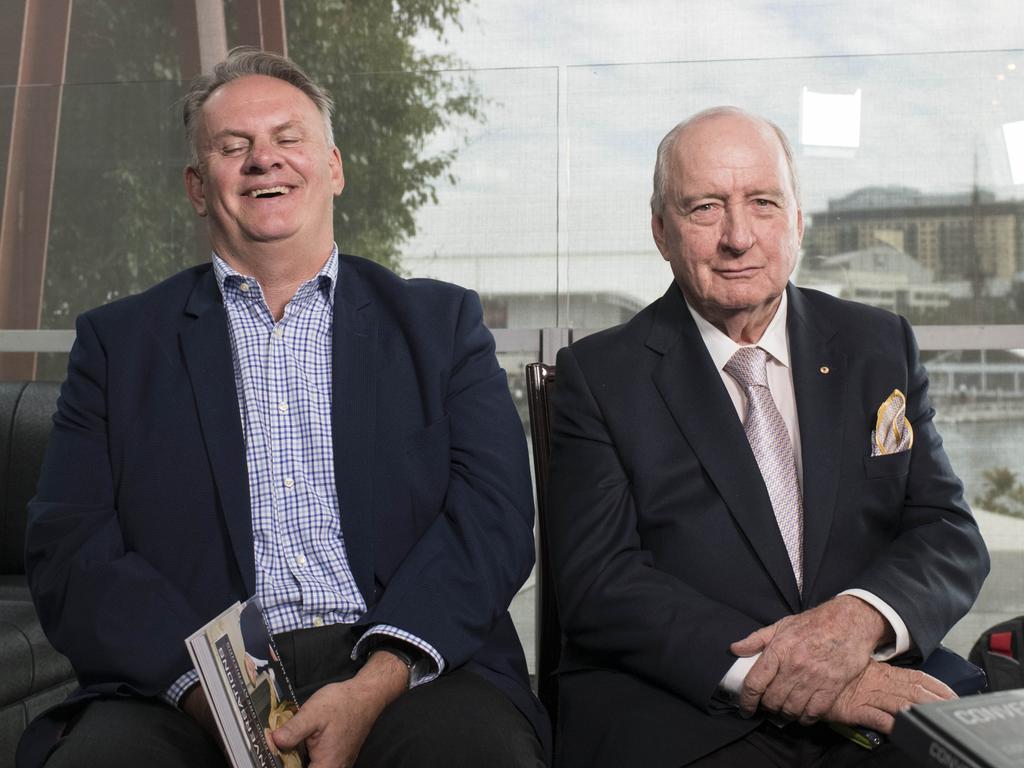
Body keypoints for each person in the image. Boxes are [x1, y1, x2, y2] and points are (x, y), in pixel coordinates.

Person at [19, 48, 548, 768]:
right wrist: (223, 702)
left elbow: (493, 520)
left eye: (287, 139)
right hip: (183, 685)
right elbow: (70, 549)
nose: (264, 160)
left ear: (333, 167)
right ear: (199, 188)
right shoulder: (117, 346)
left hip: (404, 665)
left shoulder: (439, 326)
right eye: (234, 148)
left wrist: (372, 686)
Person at [545, 106, 989, 767]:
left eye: (763, 202)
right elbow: (600, 582)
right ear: (662, 231)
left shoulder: (878, 345)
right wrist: (792, 673)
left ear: (799, 221)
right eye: (705, 208)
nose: (738, 236)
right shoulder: (600, 376)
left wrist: (856, 624)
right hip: (688, 708)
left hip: (874, 688)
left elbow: (946, 532)